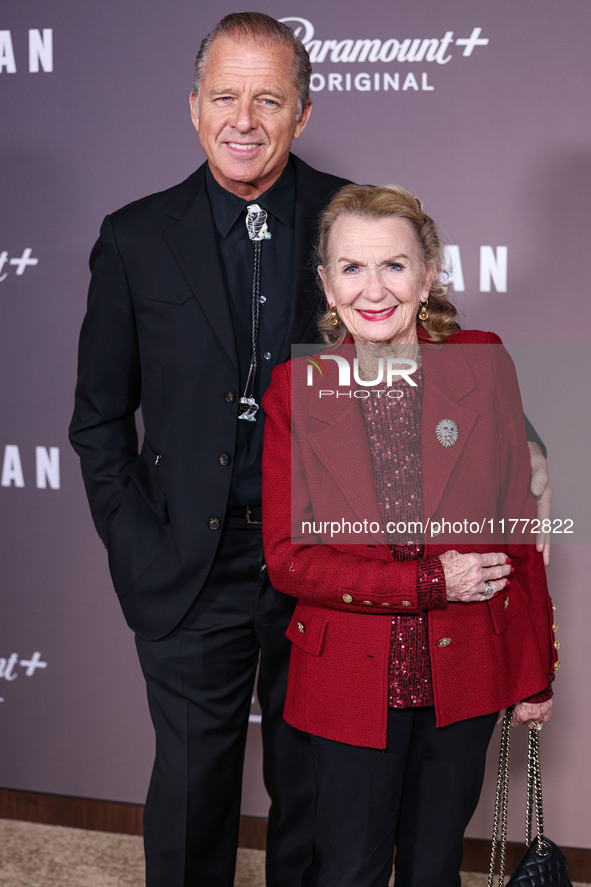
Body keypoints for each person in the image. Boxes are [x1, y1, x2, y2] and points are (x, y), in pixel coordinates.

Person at [261, 184, 558, 887]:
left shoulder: (483, 361)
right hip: (347, 676)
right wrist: (427, 581)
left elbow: (518, 521)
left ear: (427, 275)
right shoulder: (294, 387)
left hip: (465, 667)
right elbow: (288, 560)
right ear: (326, 283)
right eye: (352, 268)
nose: (374, 289)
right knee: (351, 870)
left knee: (433, 869)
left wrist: (535, 666)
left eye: (393, 265)